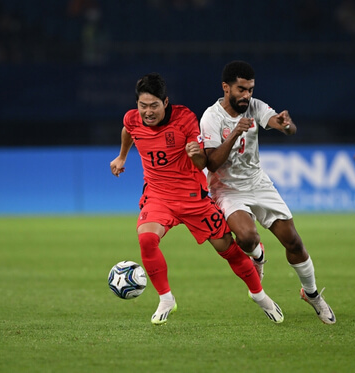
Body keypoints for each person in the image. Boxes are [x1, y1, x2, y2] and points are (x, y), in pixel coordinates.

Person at [110, 72, 283, 325]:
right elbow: (128, 130)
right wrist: (122, 156)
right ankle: (166, 298)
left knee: (228, 249)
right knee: (147, 239)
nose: (148, 112)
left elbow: (206, 162)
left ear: (165, 102)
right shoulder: (132, 118)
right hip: (158, 195)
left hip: (193, 197)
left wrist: (195, 155)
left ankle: (260, 296)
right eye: (143, 106)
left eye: (154, 106)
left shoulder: (185, 119)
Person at [200, 60, 336, 325]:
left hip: (258, 182)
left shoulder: (255, 106)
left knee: (293, 241)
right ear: (226, 88)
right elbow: (212, 163)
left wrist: (286, 125)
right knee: (247, 237)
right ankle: (258, 253)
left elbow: (282, 125)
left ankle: (312, 295)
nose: (247, 95)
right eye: (241, 89)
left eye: (250, 89)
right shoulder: (211, 117)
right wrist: (234, 134)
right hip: (227, 189)